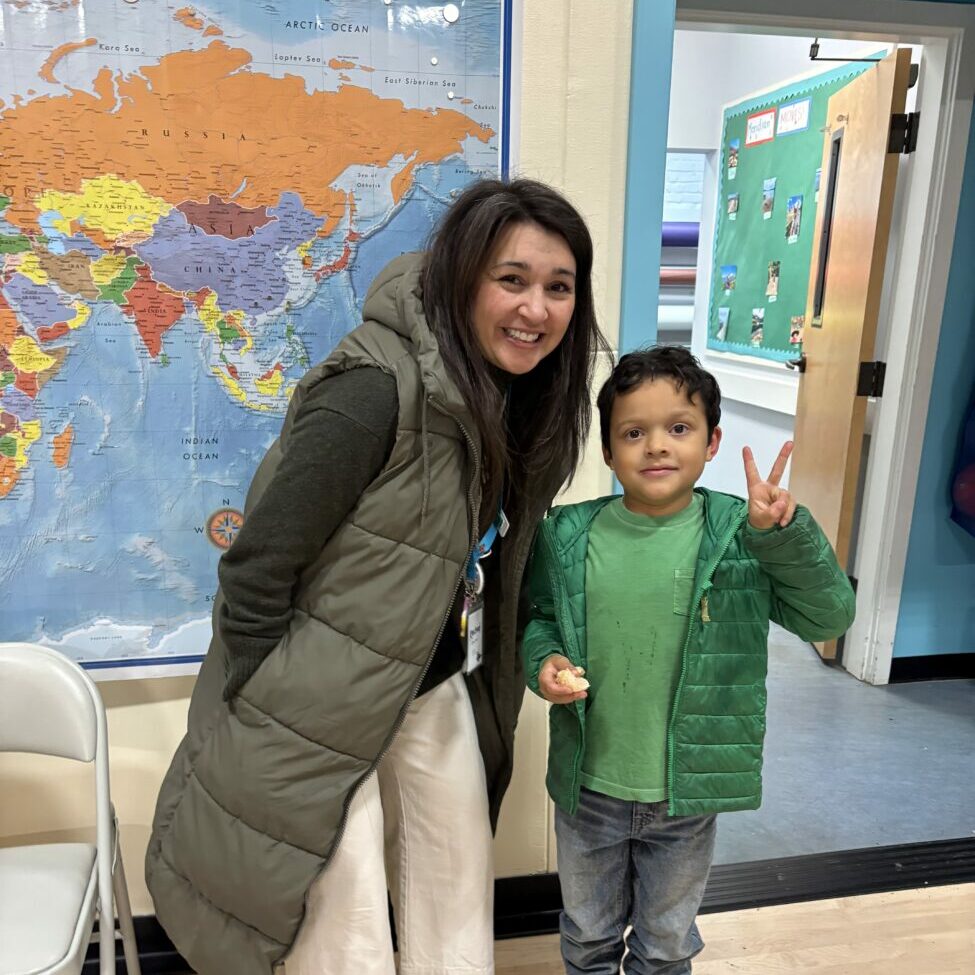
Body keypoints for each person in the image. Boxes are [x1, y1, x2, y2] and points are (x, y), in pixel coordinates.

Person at [145, 178, 608, 975]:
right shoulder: (371, 387)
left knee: (457, 881)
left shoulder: (517, 402)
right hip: (316, 696)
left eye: (557, 287)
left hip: (428, 681)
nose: (535, 309)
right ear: (463, 277)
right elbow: (256, 568)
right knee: (343, 929)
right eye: (511, 279)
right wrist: (269, 699)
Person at [522, 346, 855, 975]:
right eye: (633, 432)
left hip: (686, 795)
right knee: (587, 937)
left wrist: (782, 537)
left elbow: (828, 619)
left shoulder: (740, 536)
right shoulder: (566, 534)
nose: (656, 446)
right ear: (608, 450)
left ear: (712, 442)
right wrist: (544, 665)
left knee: (666, 945)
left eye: (679, 428)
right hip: (588, 786)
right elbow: (540, 620)